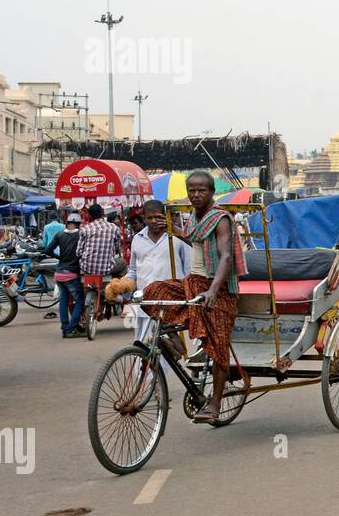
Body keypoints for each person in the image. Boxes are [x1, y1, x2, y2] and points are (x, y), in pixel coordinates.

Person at [143, 171, 245, 421]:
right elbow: (193, 239)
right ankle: (176, 342)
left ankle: (216, 404)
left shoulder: (221, 219)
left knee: (218, 346)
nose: (196, 194)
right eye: (192, 190)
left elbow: (226, 256)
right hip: (194, 282)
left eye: (201, 190)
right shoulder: (195, 219)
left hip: (218, 289)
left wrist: (212, 290)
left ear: (211, 193)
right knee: (152, 292)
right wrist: (170, 228)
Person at [121, 200, 190, 342]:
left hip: (172, 300)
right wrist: (123, 285)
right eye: (149, 218)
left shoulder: (177, 238)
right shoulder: (137, 239)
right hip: (145, 301)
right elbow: (133, 270)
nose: (153, 221)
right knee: (143, 345)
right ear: (144, 218)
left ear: (165, 216)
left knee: (171, 347)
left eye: (158, 217)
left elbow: (189, 269)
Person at [47, 213, 84, 338]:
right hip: (72, 274)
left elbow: (47, 250)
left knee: (63, 301)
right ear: (79, 224)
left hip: (59, 273)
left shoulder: (59, 234)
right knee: (79, 301)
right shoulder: (81, 235)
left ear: (67, 223)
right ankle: (70, 329)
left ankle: (65, 327)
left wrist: (59, 257)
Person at [76, 202, 123, 287]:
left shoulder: (85, 229)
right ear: (103, 213)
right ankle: (117, 289)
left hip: (87, 267)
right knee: (122, 263)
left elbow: (78, 252)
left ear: (90, 216)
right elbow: (117, 249)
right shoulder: (114, 228)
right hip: (107, 267)